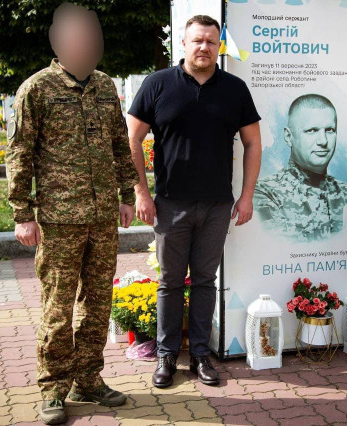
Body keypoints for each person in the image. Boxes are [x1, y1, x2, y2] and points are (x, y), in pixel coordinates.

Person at [5, 3, 138, 424]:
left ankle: (88, 380)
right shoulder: (37, 89)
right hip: (59, 220)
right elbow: (19, 153)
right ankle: (53, 389)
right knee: (58, 309)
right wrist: (22, 213)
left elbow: (119, 144)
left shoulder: (104, 85)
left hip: (102, 217)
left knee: (98, 304)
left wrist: (127, 194)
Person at [127, 15, 262, 388]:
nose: (204, 47)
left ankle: (201, 354)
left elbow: (253, 143)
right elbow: (131, 139)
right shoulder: (157, 84)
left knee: (205, 281)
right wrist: (141, 193)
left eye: (210, 41)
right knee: (170, 282)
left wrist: (247, 195)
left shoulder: (235, 89)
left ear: (219, 46)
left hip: (217, 205)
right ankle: (167, 356)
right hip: (170, 204)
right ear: (183, 44)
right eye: (197, 40)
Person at [254, 94, 347, 242]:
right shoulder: (265, 193)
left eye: (329, 130)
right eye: (311, 130)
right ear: (288, 137)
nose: (323, 141)